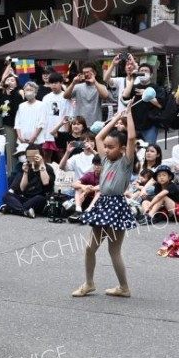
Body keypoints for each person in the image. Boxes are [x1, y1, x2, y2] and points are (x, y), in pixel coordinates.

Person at [73, 103, 137, 298]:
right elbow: (99, 137)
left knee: (114, 250)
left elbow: (132, 137)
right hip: (103, 205)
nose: (107, 149)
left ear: (122, 148)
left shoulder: (125, 162)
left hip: (116, 205)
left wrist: (129, 115)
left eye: (111, 147)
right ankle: (89, 283)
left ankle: (124, 287)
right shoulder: (106, 160)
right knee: (90, 248)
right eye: (106, 147)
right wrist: (117, 117)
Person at [0, 144, 55, 218]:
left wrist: (41, 164)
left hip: (41, 199)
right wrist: (25, 172)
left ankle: (12, 209)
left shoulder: (47, 168)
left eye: (35, 156)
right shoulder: (29, 169)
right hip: (27, 199)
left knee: (39, 198)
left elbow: (45, 182)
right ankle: (23, 211)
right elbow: (22, 188)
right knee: (6, 196)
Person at [122, 63, 166, 145]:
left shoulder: (156, 88)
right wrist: (132, 79)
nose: (143, 72)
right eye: (141, 71)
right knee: (135, 149)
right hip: (134, 124)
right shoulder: (134, 87)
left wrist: (146, 95)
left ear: (151, 75)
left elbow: (160, 104)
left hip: (150, 125)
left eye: (146, 71)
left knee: (149, 148)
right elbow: (125, 96)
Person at [0, 69, 24, 174]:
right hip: (1, 126)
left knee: (11, 150)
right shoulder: (1, 94)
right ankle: (3, 172)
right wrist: (2, 91)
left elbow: (17, 110)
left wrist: (12, 93)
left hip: (11, 126)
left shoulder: (17, 94)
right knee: (2, 150)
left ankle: (12, 173)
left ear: (16, 83)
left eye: (13, 80)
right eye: (8, 79)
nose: (10, 81)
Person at [63, 62, 110, 127]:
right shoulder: (78, 87)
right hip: (79, 124)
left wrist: (94, 81)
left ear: (94, 73)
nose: (86, 74)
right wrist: (73, 83)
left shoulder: (100, 87)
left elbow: (105, 96)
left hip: (95, 124)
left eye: (88, 72)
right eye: (84, 73)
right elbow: (65, 96)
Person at [41, 72, 71, 163]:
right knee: (46, 155)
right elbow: (43, 115)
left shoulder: (65, 96)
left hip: (60, 131)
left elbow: (68, 116)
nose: (53, 85)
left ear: (61, 83)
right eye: (51, 83)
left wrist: (66, 134)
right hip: (47, 131)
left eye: (56, 82)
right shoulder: (46, 98)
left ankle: (64, 175)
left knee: (61, 155)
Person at [68, 154, 102, 222]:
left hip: (99, 202)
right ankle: (78, 211)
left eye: (99, 165)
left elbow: (104, 186)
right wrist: (83, 186)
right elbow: (73, 184)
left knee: (99, 191)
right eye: (95, 164)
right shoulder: (89, 175)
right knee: (78, 188)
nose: (97, 167)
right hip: (85, 199)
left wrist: (88, 190)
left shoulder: (106, 176)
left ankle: (88, 211)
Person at [15, 81, 47, 146]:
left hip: (36, 141)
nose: (29, 92)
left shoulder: (41, 105)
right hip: (22, 140)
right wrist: (19, 136)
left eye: (31, 90)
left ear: (35, 92)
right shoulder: (21, 106)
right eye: (27, 90)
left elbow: (42, 123)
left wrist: (34, 137)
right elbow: (17, 123)